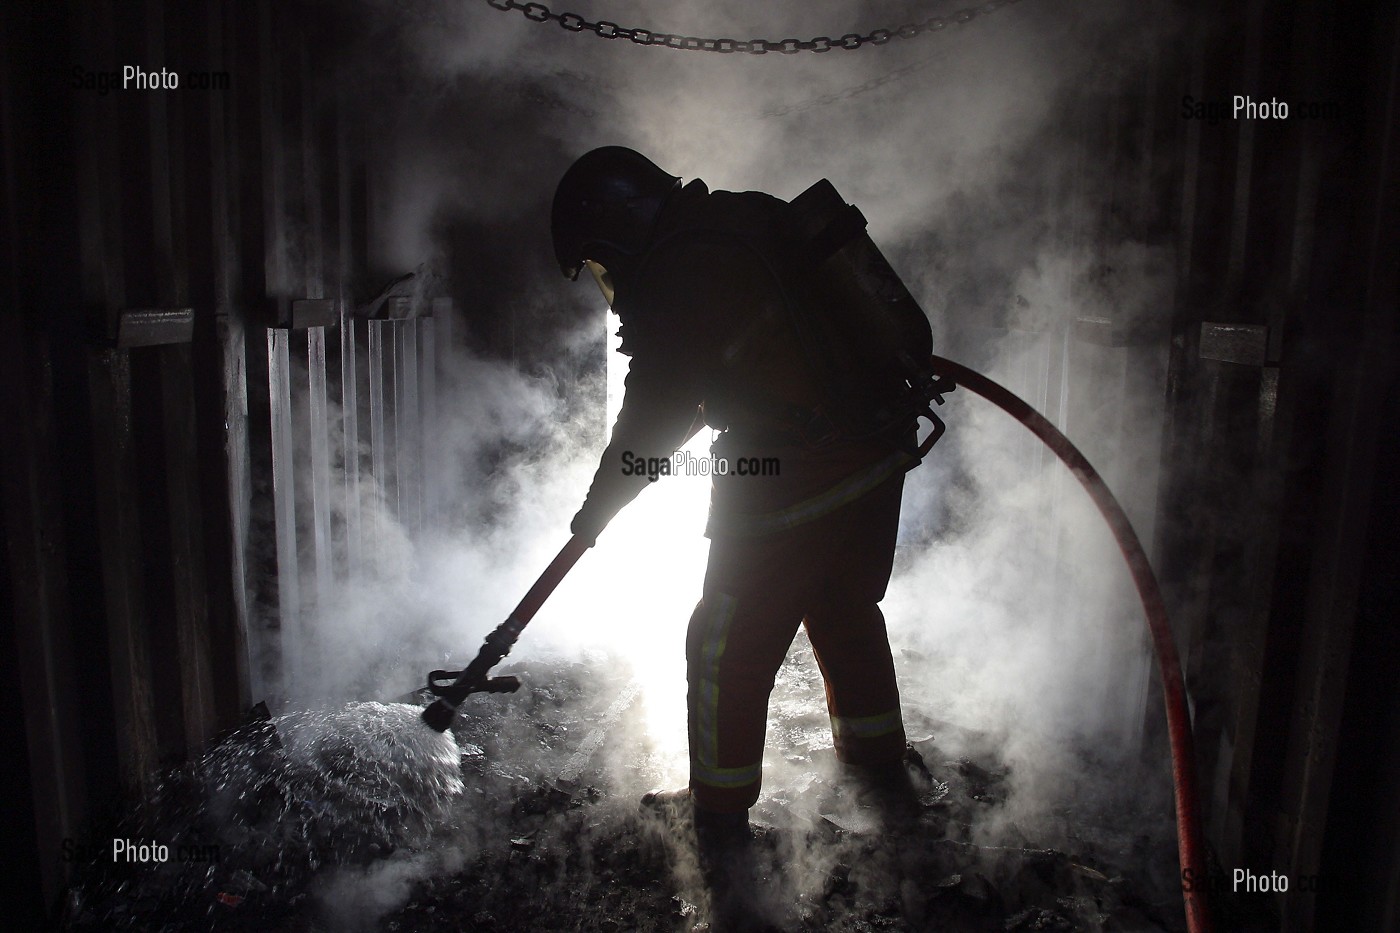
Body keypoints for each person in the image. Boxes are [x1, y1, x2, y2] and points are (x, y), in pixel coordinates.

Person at [552, 147, 928, 859]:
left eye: (602, 262)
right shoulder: (739, 219)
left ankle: (717, 818)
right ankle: (878, 765)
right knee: (845, 609)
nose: (612, 280)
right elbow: (736, 367)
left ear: (621, 228)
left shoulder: (678, 268)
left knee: (724, 643)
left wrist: (600, 506)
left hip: (795, 471)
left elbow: (655, 416)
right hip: (874, 451)